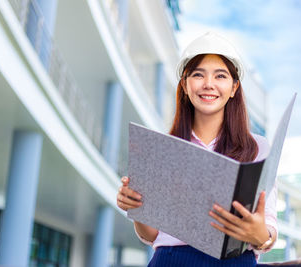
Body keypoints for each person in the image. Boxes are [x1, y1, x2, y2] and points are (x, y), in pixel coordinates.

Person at [116, 31, 278, 266]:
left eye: (220, 76)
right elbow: (151, 235)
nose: (209, 84)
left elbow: (270, 224)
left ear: (234, 88)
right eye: (198, 75)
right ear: (185, 84)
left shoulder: (257, 148)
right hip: (171, 260)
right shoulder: (161, 149)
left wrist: (260, 236)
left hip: (235, 261)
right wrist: (137, 208)